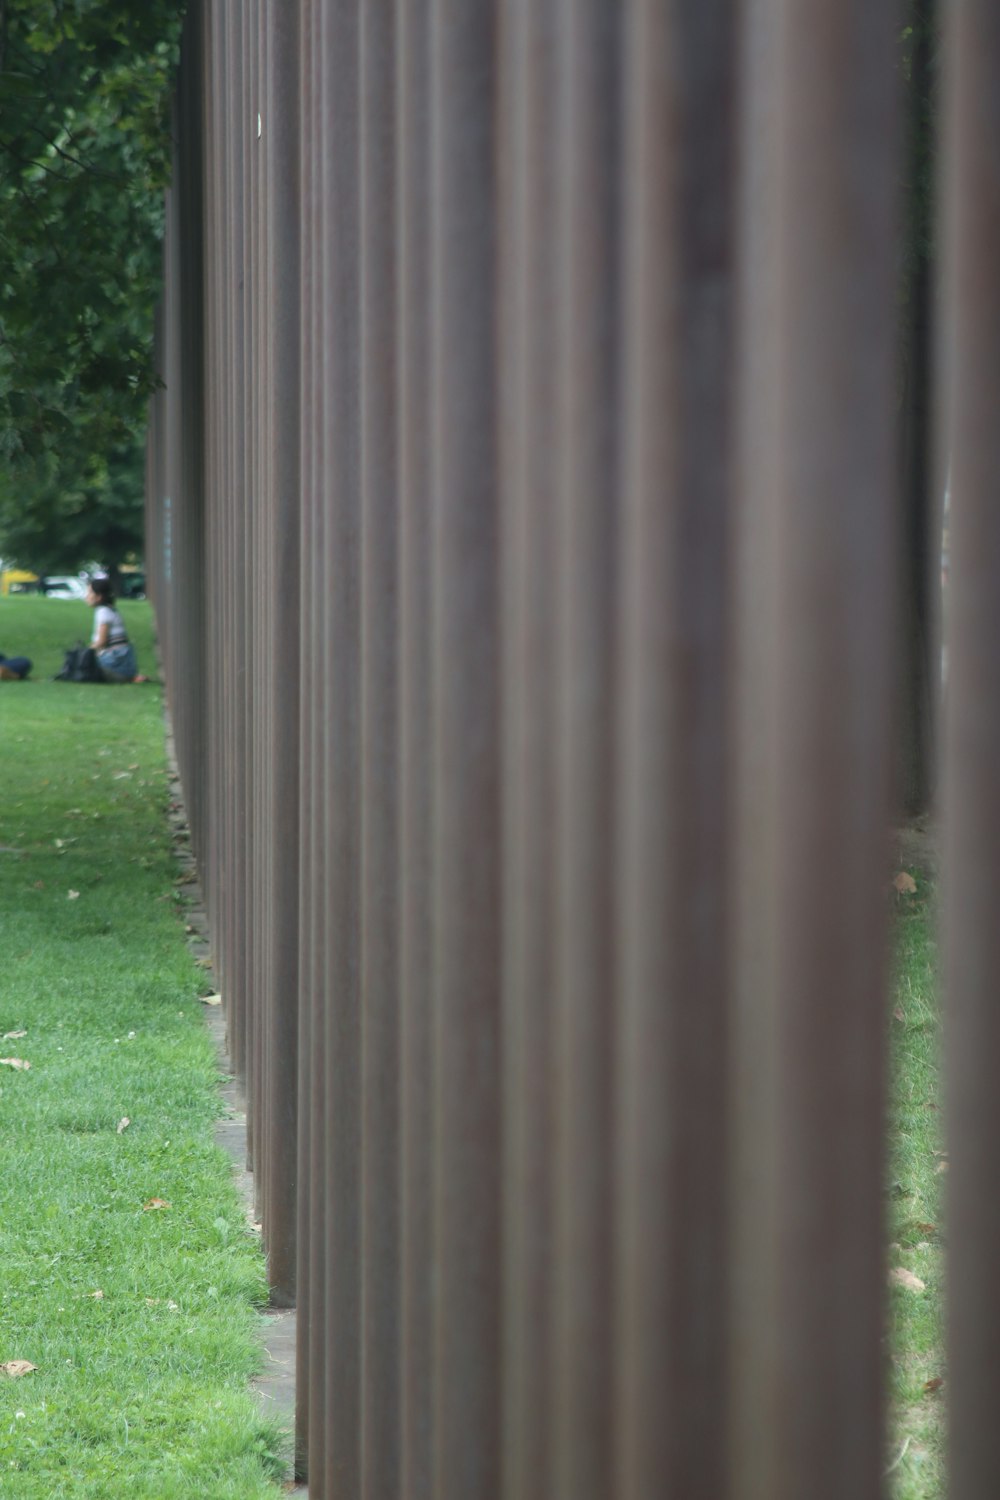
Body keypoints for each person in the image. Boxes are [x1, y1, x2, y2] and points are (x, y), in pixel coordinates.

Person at [86, 575, 139, 683]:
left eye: (90, 593)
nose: (86, 596)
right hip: (123, 665)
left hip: (116, 667)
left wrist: (85, 652)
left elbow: (101, 642)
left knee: (81, 668)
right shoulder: (110, 610)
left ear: (99, 596)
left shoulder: (103, 612)